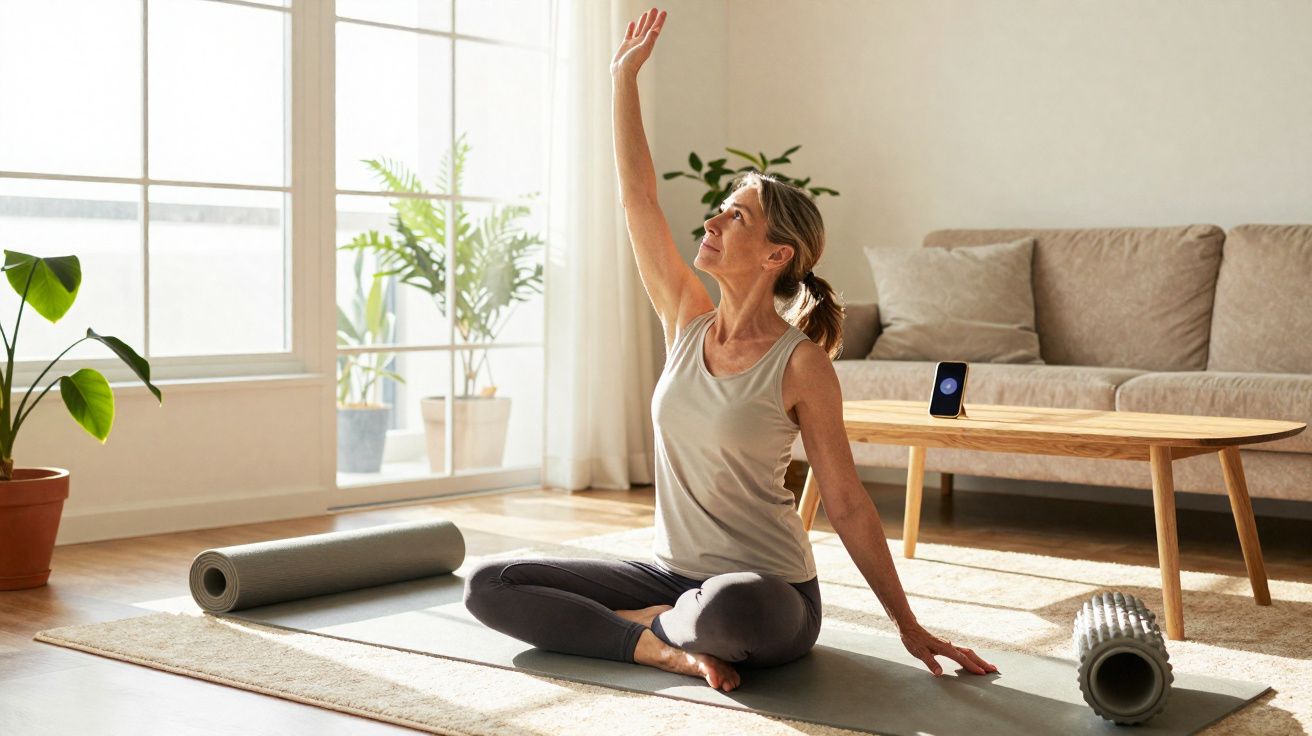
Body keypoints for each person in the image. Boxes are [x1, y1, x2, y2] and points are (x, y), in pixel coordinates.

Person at [463, 6, 997, 693]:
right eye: (720, 208)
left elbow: (848, 502)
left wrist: (908, 627)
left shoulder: (801, 363)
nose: (712, 219)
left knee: (729, 607)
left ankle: (647, 627)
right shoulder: (684, 319)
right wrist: (621, 79)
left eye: (735, 214)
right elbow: (636, 198)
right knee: (490, 582)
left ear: (776, 254)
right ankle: (659, 643)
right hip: (667, 573)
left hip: (769, 594)